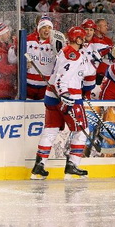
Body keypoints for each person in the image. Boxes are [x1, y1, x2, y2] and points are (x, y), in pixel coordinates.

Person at [31, 26, 94, 180]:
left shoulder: (65, 51)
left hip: (51, 96)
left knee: (51, 130)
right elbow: (61, 78)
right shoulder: (73, 55)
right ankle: (72, 165)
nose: (84, 40)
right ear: (78, 39)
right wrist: (65, 94)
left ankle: (39, 166)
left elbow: (85, 71)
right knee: (81, 130)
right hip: (68, 97)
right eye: (82, 38)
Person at [26, 17, 55, 100]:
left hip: (46, 86)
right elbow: (21, 55)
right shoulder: (28, 40)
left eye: (49, 27)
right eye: (44, 27)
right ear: (39, 29)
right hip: (29, 85)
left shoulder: (55, 43)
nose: (47, 30)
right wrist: (26, 61)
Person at [93, 18, 115, 86]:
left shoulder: (108, 41)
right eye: (105, 26)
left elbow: (113, 58)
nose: (107, 27)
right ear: (98, 28)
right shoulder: (91, 40)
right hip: (93, 74)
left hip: (106, 75)